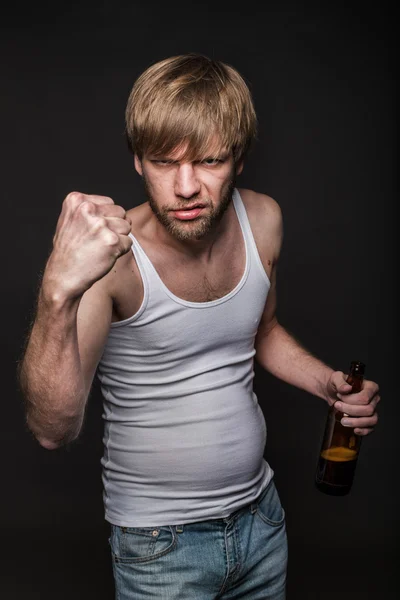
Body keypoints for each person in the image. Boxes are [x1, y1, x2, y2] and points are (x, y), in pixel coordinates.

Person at [18, 53, 380, 600]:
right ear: (138, 161)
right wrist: (56, 291)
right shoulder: (112, 262)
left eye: (209, 161)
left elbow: (262, 330)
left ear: (238, 158)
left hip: (262, 520)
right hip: (160, 546)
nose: (186, 187)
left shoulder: (264, 219)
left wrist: (326, 382)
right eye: (165, 162)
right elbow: (53, 428)